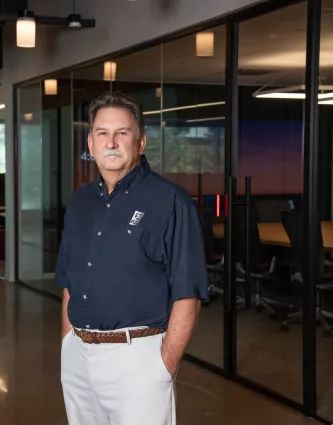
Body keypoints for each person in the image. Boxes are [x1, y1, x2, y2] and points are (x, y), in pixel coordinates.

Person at [55, 91, 208, 425]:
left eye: (122, 133)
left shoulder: (172, 202)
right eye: (102, 133)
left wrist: (164, 365)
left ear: (140, 143)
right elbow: (69, 280)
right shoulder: (80, 202)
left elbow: (188, 293)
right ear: (91, 144)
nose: (111, 142)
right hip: (77, 357)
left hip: (139, 361)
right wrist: (68, 343)